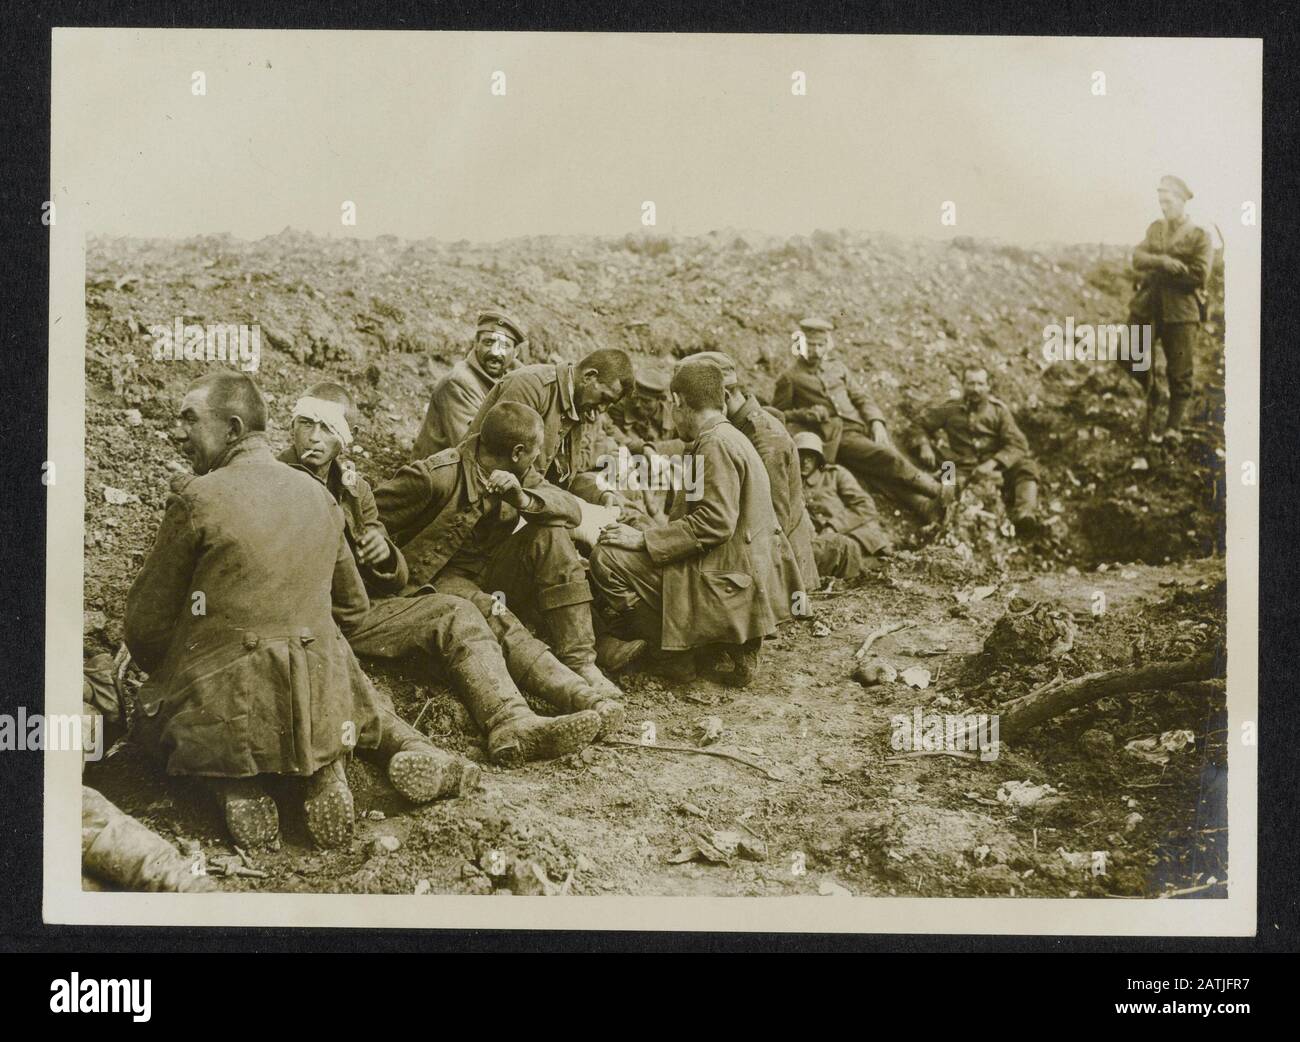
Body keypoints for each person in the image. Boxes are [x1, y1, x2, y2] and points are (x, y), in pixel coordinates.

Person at [125, 372, 383, 850]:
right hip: (318, 703)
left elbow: (144, 629)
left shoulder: (196, 497)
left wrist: (186, 652)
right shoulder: (321, 496)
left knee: (145, 715)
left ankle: (233, 787)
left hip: (228, 704)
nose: (177, 432)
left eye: (190, 419)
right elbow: (353, 607)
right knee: (321, 685)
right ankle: (325, 775)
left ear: (233, 428)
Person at [285, 383, 604, 768]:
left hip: (362, 610)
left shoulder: (355, 488)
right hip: (306, 620)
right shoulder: (273, 483)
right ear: (292, 425)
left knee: (465, 612)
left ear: (345, 438)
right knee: (460, 612)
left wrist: (384, 557)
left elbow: (387, 561)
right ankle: (437, 752)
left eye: (328, 428)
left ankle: (519, 719)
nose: (315, 437)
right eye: (307, 423)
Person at [376, 401, 627, 728]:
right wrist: (383, 562)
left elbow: (570, 509)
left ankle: (580, 662)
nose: (536, 460)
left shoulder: (519, 472)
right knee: (496, 615)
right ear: (518, 451)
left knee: (549, 531)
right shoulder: (435, 476)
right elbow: (368, 515)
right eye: (535, 454)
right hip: (435, 579)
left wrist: (522, 498)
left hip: (488, 569)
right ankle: (575, 695)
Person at [590, 358, 800, 687]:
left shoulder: (714, 445)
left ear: (678, 402)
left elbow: (715, 522)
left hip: (729, 585)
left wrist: (643, 540)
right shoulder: (729, 436)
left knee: (607, 557)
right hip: (745, 582)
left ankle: (675, 659)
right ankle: (725, 648)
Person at [773, 317, 949, 522]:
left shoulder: (837, 367)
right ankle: (935, 487)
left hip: (859, 426)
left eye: (821, 345)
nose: (816, 350)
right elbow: (777, 415)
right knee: (884, 456)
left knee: (877, 474)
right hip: (836, 436)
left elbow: (861, 397)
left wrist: (876, 422)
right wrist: (805, 414)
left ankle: (925, 507)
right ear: (800, 344)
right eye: (810, 345)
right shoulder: (790, 377)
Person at [681, 350, 818, 604]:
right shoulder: (730, 431)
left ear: (722, 396)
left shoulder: (764, 438)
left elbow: (773, 523)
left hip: (780, 581)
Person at [465, 348, 634, 501]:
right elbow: (505, 463)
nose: (602, 409)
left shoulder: (578, 406)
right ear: (589, 376)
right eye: (604, 398)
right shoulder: (531, 386)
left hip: (526, 498)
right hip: (482, 497)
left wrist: (600, 494)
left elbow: (566, 477)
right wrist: (561, 502)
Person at [1127, 175, 1215, 442]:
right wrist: (1163, 261)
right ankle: (1151, 390)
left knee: (1179, 372)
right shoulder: (1155, 229)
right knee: (1128, 352)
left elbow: (1199, 275)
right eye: (1160, 201)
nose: (1163, 207)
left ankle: (1173, 427)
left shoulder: (1200, 236)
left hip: (1181, 313)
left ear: (1182, 201)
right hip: (1148, 307)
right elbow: (1137, 257)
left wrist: (1157, 270)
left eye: (1168, 201)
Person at [911, 367, 1041, 535]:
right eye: (970, 383)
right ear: (963, 385)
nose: (975, 389)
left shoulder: (998, 411)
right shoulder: (951, 408)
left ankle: (1024, 514)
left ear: (988, 386)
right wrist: (924, 445)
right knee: (949, 482)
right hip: (960, 464)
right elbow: (919, 424)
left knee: (1027, 467)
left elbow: (1018, 443)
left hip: (996, 465)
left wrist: (993, 463)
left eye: (980, 384)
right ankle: (940, 519)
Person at [412, 309, 525, 459]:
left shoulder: (518, 379)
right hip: (441, 473)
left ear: (516, 352)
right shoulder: (458, 383)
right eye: (488, 342)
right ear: (476, 344)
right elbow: (471, 449)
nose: (495, 352)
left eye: (504, 346)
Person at [794, 431, 892, 580]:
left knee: (861, 558)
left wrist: (833, 526)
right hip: (823, 544)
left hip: (852, 533)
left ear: (818, 459)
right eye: (801, 455)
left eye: (811, 456)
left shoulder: (835, 474)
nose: (805, 461)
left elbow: (865, 505)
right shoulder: (792, 484)